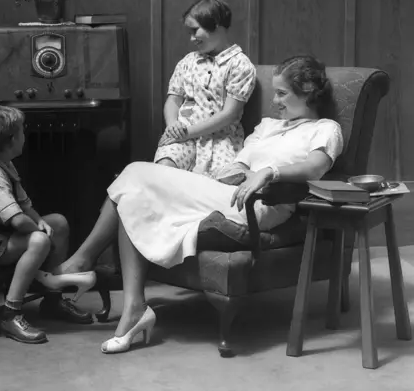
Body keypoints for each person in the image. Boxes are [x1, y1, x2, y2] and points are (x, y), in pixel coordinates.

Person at [54, 55, 343, 354]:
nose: (274, 101)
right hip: (225, 192)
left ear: (307, 91)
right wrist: (212, 176)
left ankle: (83, 264)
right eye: (274, 92)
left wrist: (269, 172)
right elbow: (237, 167)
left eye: (282, 93)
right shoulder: (268, 126)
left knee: (134, 174)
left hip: (259, 206)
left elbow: (314, 167)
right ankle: (134, 307)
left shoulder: (325, 129)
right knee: (134, 194)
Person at [0, 104, 96, 344]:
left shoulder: (5, 164)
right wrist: (39, 231)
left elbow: (25, 207)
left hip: (0, 232)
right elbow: (18, 220)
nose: (24, 136)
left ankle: (52, 300)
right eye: (21, 132)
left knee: (57, 223)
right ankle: (11, 312)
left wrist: (40, 221)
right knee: (38, 240)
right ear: (9, 141)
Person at [154, 0, 256, 177]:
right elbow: (173, 99)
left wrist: (189, 132)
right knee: (165, 168)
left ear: (215, 24)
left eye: (195, 31)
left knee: (221, 181)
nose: (192, 38)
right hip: (182, 134)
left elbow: (229, 114)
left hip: (221, 139)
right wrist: (172, 126)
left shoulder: (240, 65)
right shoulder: (188, 62)